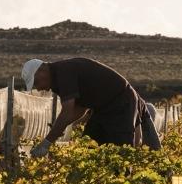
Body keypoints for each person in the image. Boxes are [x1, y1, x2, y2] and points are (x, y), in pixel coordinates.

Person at [21, 57, 161, 157]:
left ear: (42, 70)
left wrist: (47, 142)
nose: (38, 88)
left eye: (36, 82)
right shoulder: (57, 81)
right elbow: (81, 108)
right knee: (90, 146)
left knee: (120, 153)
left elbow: (68, 110)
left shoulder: (64, 72)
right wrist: (64, 126)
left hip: (121, 104)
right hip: (102, 109)